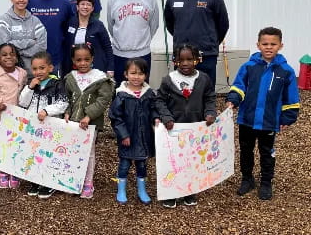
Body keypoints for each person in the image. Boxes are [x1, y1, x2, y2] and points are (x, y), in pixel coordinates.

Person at [226, 27, 299, 200]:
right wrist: (233, 100)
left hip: (269, 121)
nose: (268, 47)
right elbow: (239, 86)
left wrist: (288, 116)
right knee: (245, 150)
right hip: (247, 119)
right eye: (265, 43)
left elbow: (291, 96)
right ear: (258, 45)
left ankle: (266, 182)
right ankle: (247, 179)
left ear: (280, 45)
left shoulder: (286, 71)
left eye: (273, 44)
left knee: (267, 152)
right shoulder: (248, 67)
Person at [155, 44, 216, 208]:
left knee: (192, 161)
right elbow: (159, 101)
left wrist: (210, 113)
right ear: (175, 61)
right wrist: (166, 117)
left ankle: (190, 191)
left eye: (190, 59)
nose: (185, 63)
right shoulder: (168, 80)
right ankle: (171, 193)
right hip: (174, 130)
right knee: (173, 161)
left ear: (197, 60)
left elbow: (210, 98)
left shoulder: (204, 79)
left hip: (195, 129)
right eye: (181, 60)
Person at [164, 0, 229, 87]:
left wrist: (211, 42)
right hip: (181, 57)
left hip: (206, 56)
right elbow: (170, 25)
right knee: (182, 94)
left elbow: (223, 24)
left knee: (206, 94)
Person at [64, 44, 114, 199]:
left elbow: (103, 100)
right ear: (73, 60)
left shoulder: (99, 78)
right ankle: (74, 181)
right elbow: (66, 98)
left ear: (92, 58)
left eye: (86, 59)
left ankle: (88, 182)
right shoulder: (70, 78)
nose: (83, 63)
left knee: (89, 153)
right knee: (73, 151)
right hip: (72, 123)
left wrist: (89, 116)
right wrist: (66, 112)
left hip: (90, 124)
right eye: (79, 60)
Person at [18, 51, 69, 199]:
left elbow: (63, 103)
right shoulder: (32, 83)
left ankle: (49, 183)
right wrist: (30, 88)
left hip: (51, 127)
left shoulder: (57, 84)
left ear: (50, 68)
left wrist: (47, 111)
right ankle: (35, 180)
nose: (38, 72)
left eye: (42, 68)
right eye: (35, 69)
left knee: (49, 153)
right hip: (35, 128)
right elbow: (23, 102)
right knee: (34, 152)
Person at [109, 58, 159, 205]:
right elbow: (115, 117)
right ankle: (121, 189)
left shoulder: (148, 93)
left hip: (143, 136)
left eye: (141, 73)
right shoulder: (121, 95)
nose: (136, 77)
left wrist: (156, 118)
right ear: (126, 74)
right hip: (128, 137)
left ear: (146, 75)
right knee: (124, 164)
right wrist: (123, 134)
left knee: (142, 164)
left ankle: (142, 190)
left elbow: (154, 109)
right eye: (133, 73)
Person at [0, 43, 28, 189]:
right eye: (4, 54)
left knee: (17, 145)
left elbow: (26, 94)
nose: (8, 56)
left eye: (12, 53)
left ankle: (14, 172)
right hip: (1, 118)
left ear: (16, 57)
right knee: (2, 146)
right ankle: (3, 173)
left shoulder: (23, 73)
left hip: (19, 118)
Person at [107, 0, 159, 86]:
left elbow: (154, 25)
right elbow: (111, 25)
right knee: (120, 90)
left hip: (142, 54)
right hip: (119, 55)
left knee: (142, 90)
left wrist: (141, 41)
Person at [27, 0, 74, 76]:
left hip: (55, 59)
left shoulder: (64, 2)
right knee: (32, 91)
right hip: (31, 58)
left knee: (55, 90)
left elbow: (70, 28)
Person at [0, 0, 47, 77]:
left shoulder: (35, 21)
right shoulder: (5, 20)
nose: (21, 0)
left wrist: (18, 50)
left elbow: (42, 47)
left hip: (33, 74)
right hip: (11, 75)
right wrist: (30, 42)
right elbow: (5, 46)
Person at [62, 0, 114, 77]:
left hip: (95, 68)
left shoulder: (98, 25)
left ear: (92, 8)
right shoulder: (69, 23)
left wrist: (110, 68)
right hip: (73, 68)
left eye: (88, 4)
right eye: (82, 4)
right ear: (77, 7)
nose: (85, 7)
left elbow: (107, 47)